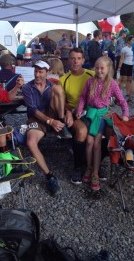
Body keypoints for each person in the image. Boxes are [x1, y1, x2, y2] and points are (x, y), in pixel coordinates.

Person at [76, 56, 129, 191]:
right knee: (89, 142)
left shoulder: (112, 84)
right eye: (97, 68)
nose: (99, 71)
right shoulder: (90, 81)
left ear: (108, 69)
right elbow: (83, 97)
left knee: (97, 143)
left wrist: (125, 115)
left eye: (102, 68)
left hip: (101, 116)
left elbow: (122, 101)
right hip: (90, 114)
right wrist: (80, 109)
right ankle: (89, 167)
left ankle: (95, 172)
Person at [22, 60, 72, 196]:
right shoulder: (27, 87)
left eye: (40, 72)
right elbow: (33, 110)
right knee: (30, 142)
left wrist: (66, 113)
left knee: (58, 89)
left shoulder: (52, 85)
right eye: (35, 71)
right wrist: (50, 122)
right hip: (37, 118)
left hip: (54, 115)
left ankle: (62, 125)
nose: (37, 75)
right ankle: (49, 176)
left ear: (47, 72)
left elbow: (64, 103)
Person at [59, 48, 95, 184]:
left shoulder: (92, 75)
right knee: (81, 131)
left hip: (93, 111)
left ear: (83, 60)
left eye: (78, 58)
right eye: (72, 58)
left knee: (108, 130)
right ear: (68, 60)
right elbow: (62, 103)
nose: (75, 61)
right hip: (75, 113)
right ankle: (78, 166)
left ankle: (95, 165)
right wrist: (68, 111)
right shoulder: (64, 79)